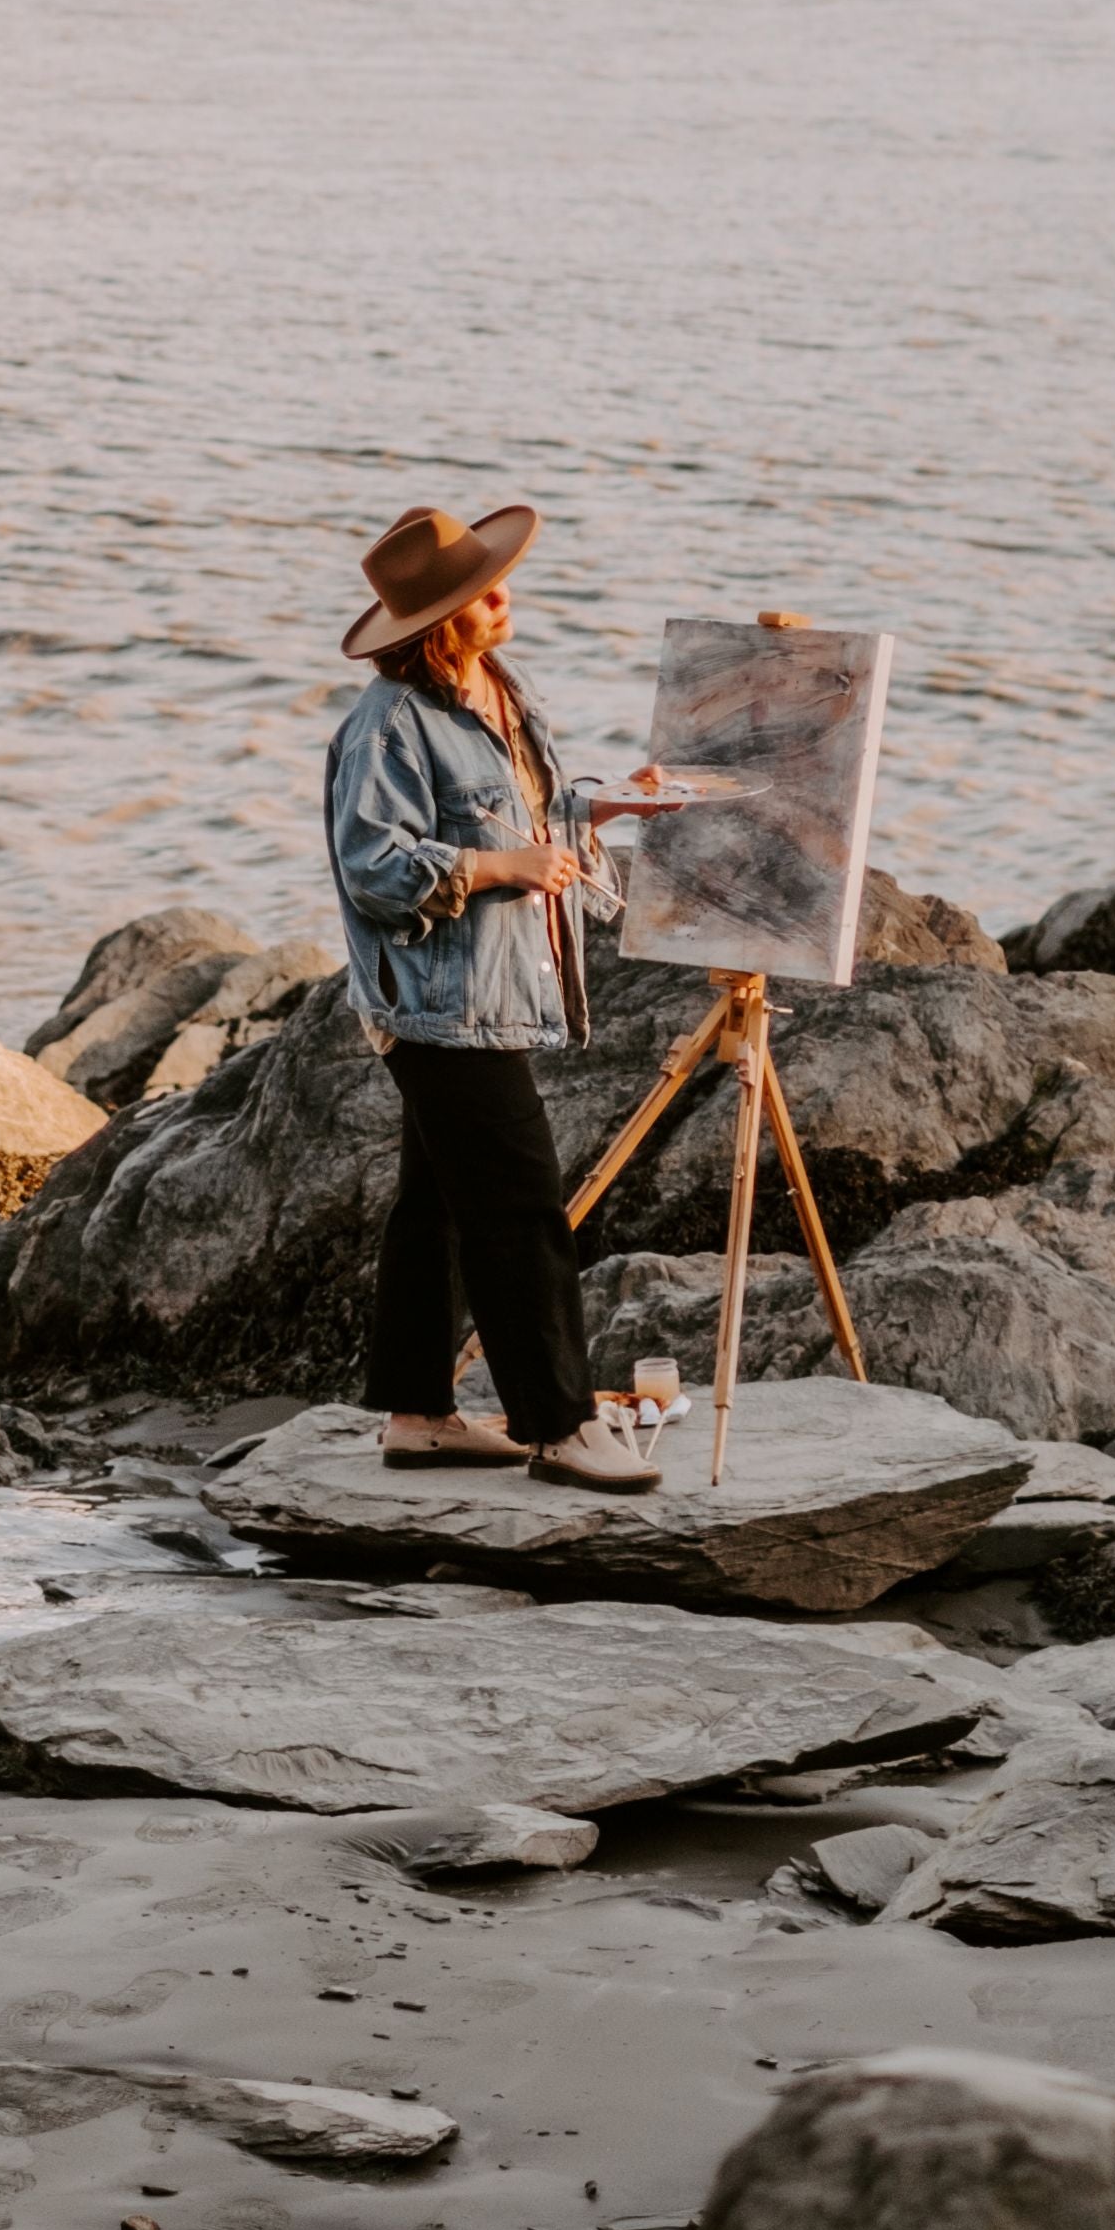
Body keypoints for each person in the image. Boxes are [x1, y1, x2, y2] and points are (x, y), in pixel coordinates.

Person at [323, 499, 662, 1493]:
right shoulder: (387, 725)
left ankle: (419, 1415)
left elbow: (533, 806)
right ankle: (557, 1425)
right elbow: (373, 869)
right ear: (432, 627)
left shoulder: (498, 686)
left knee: (433, 1205)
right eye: (477, 592)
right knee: (521, 1204)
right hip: (437, 1004)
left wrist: (606, 802)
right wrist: (499, 866)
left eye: (492, 579)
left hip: (488, 992)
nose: (499, 595)